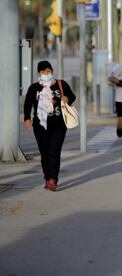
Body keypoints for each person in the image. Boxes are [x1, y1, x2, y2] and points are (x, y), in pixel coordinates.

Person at [23, 60, 76, 191]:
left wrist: (67, 99)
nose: (46, 74)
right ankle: (47, 177)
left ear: (52, 71)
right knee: (44, 153)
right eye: (43, 72)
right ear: (39, 74)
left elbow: (72, 96)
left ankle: (53, 179)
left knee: (54, 152)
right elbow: (27, 104)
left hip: (59, 125)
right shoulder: (34, 88)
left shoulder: (60, 84)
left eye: (48, 71)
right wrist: (27, 118)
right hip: (40, 126)